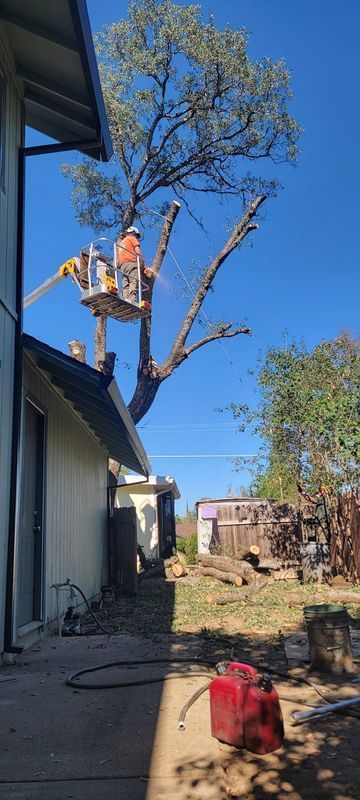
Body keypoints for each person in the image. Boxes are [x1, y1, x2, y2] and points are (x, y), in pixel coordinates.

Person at [117, 226, 144, 304]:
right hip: (131, 263)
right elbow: (138, 251)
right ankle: (132, 300)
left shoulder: (122, 243)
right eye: (136, 235)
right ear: (133, 232)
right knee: (133, 281)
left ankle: (125, 300)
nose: (136, 237)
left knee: (126, 284)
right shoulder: (132, 238)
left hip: (122, 266)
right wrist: (143, 263)